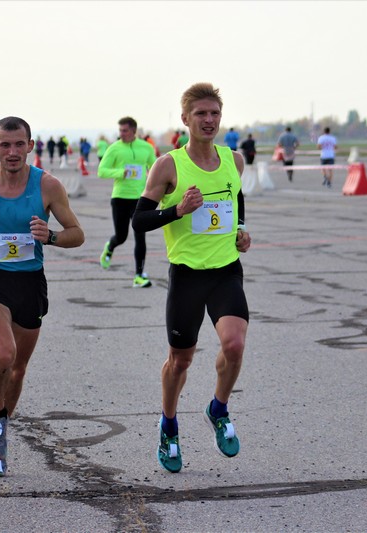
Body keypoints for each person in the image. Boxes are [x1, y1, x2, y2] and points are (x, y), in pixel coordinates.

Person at [0, 116, 84, 477]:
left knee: (18, 367)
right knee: (3, 353)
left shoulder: (48, 186)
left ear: (30, 146)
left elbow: (77, 234)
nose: (11, 152)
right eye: (4, 145)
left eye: (18, 144)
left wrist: (50, 236)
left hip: (28, 281)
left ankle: (0, 424)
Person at [132, 82, 252, 474]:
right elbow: (140, 220)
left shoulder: (233, 159)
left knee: (233, 346)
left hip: (225, 271)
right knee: (180, 361)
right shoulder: (169, 165)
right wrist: (178, 210)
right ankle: (168, 426)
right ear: (185, 119)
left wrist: (242, 228)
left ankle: (218, 408)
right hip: (186, 275)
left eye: (214, 113)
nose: (209, 120)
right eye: (200, 114)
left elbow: (235, 199)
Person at [97, 117, 157, 288]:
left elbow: (154, 168)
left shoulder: (146, 147)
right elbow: (102, 171)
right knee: (121, 237)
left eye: (124, 130)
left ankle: (139, 275)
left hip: (140, 199)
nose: (121, 134)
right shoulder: (114, 148)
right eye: (120, 130)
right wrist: (120, 172)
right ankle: (110, 247)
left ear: (133, 131)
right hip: (120, 198)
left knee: (140, 236)